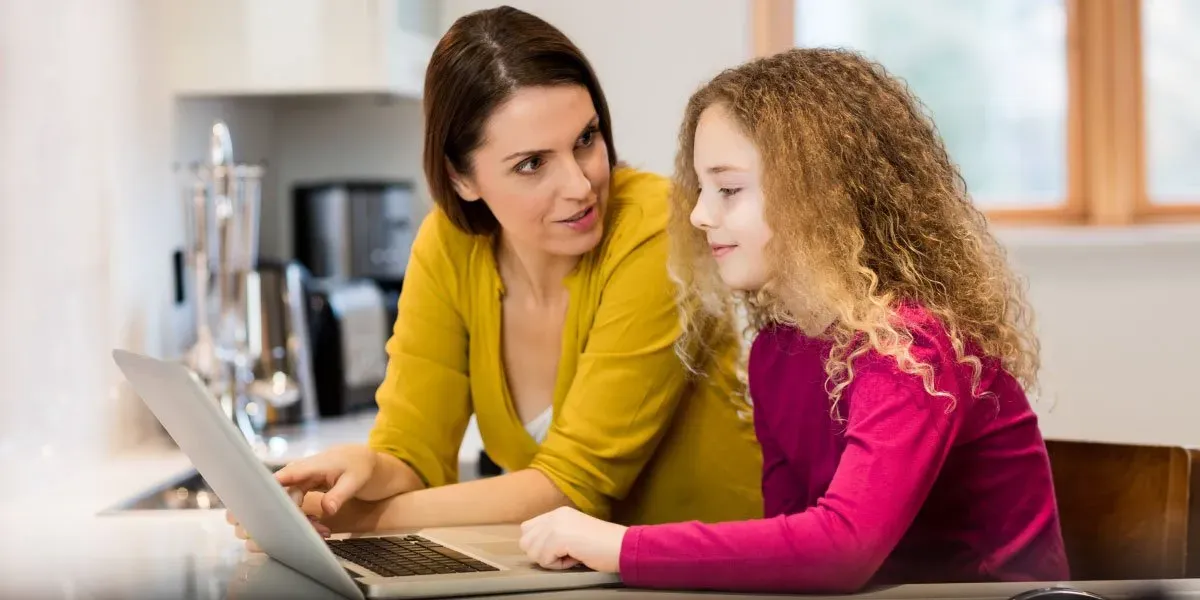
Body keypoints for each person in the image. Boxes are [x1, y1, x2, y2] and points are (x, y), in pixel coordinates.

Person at [517, 47, 1070, 593]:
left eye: (729, 189)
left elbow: (840, 550)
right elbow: (789, 553)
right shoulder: (776, 353)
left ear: (819, 197)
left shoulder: (911, 347)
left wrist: (620, 547)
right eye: (703, 188)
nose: (699, 214)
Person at [228, 6, 761, 546]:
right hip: (572, 578)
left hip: (714, 570)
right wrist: (358, 472)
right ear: (461, 177)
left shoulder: (656, 229)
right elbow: (413, 454)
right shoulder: (449, 247)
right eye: (532, 163)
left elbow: (571, 487)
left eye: (586, 138)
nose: (579, 184)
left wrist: (347, 520)